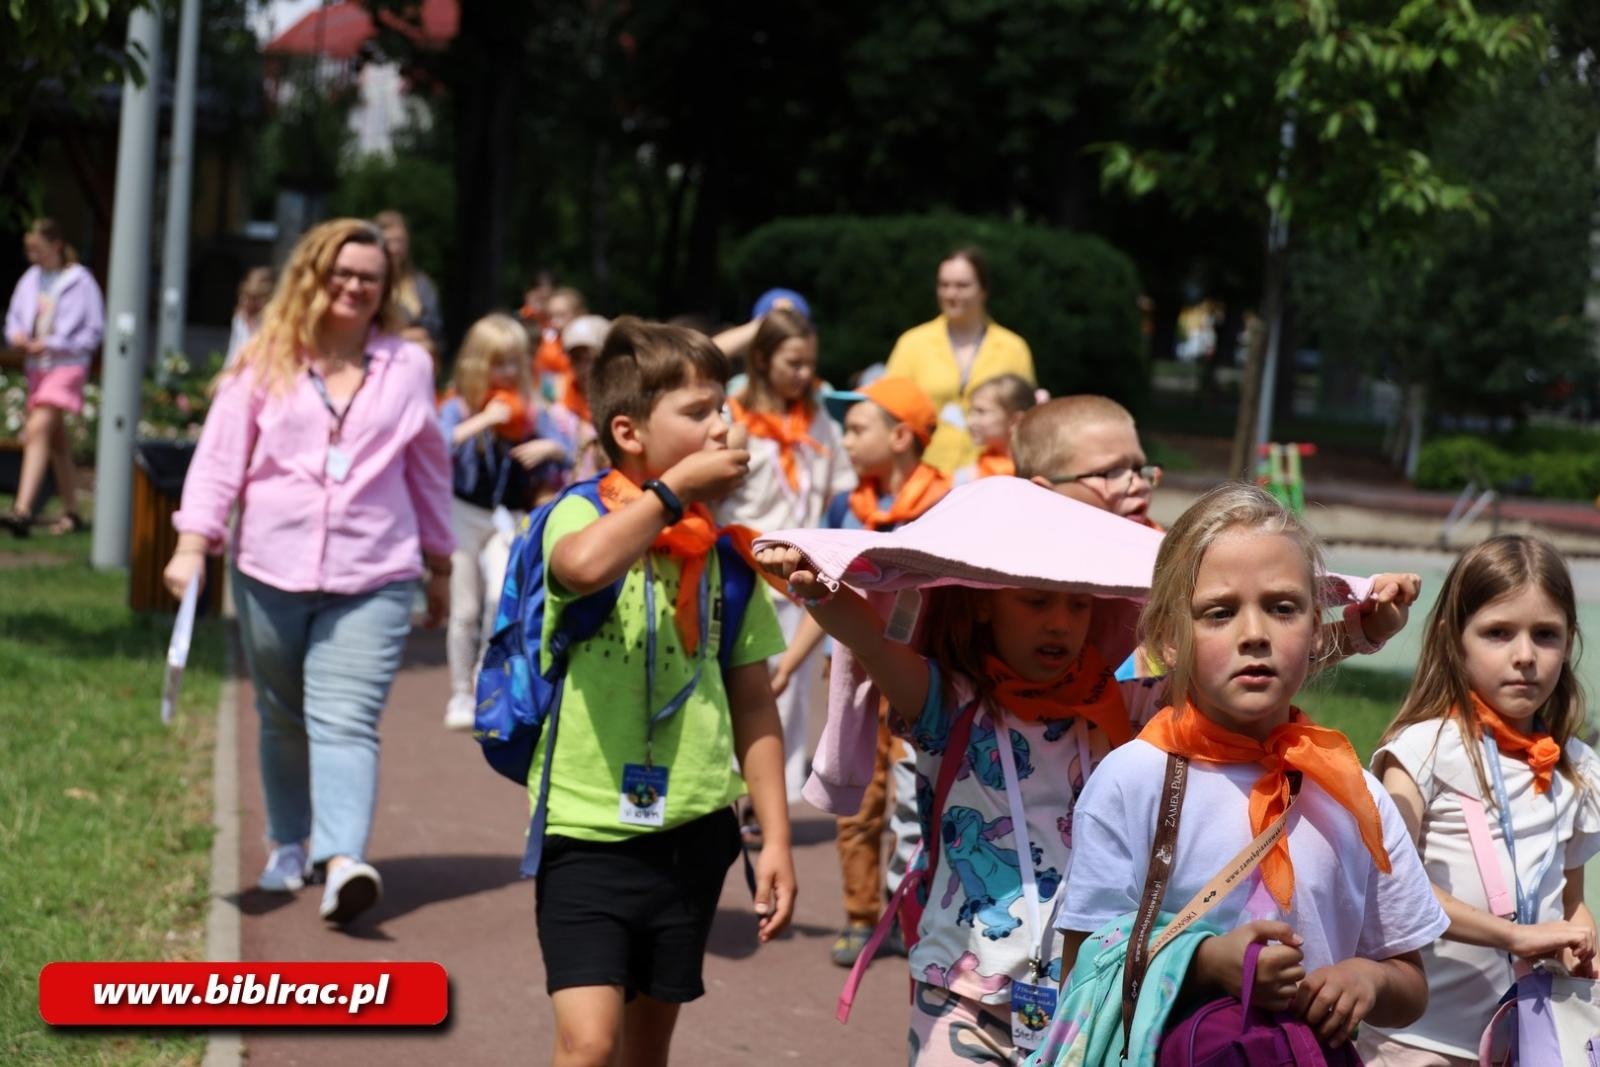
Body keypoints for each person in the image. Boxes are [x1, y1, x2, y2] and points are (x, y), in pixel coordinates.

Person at [1056, 482, 1445, 1058]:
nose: (1255, 634)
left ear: (1317, 630)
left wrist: (1368, 979)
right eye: (1219, 613)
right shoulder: (1132, 781)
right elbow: (1082, 969)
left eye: (1283, 608)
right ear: (1168, 635)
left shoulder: (1351, 790)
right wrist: (1207, 962)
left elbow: (1410, 985)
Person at [164, 218, 453, 925]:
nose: (354, 286)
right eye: (341, 273)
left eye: (369, 277)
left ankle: (342, 858)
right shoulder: (266, 358)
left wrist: (440, 563)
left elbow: (427, 467)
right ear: (313, 276)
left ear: (387, 290)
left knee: (346, 716)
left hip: (375, 570)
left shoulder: (407, 366)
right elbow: (221, 457)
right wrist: (192, 542)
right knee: (283, 714)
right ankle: (288, 841)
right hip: (269, 564)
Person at [532, 317, 796, 1067]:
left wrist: (774, 835)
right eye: (700, 410)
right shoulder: (582, 511)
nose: (723, 425)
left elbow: (753, 700)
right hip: (583, 827)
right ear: (629, 430)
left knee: (646, 1052)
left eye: (725, 408)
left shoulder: (722, 550)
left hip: (693, 826)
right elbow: (581, 567)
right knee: (588, 1045)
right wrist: (672, 493)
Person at [1362, 534, 1600, 1067]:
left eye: (1546, 635)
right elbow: (1397, 885)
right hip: (1417, 1042)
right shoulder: (1421, 750)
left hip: (1533, 1042)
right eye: (1498, 633)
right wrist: (1517, 935)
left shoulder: (1576, 766)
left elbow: (1568, 901)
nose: (1524, 657)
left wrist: (1582, 942)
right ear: (1454, 640)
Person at [805, 377, 950, 967]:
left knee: (918, 804)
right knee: (859, 796)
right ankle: (861, 915)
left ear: (899, 436)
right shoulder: (847, 507)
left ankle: (909, 909)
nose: (846, 439)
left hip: (920, 680)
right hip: (858, 677)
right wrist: (801, 661)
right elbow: (818, 593)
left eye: (858, 427)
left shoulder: (945, 508)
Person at [716, 308, 854, 803]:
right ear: (761, 359)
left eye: (808, 363)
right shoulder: (730, 415)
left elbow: (842, 486)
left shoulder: (818, 419)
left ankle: (768, 800)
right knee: (738, 679)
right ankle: (730, 790)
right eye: (792, 362)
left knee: (788, 691)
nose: (803, 374)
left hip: (799, 571)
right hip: (743, 565)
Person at [437, 313, 567, 731]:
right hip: (463, 513)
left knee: (498, 597)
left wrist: (550, 447)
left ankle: (480, 681)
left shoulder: (532, 412)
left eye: (514, 362)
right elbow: (435, 447)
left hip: (508, 518)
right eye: (498, 363)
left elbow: (570, 450)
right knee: (464, 605)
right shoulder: (457, 406)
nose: (507, 373)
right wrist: (484, 420)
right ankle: (458, 690)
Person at [885, 247, 1035, 474]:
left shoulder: (1014, 348)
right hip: (925, 475)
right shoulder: (912, 343)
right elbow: (891, 412)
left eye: (962, 286)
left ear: (983, 290)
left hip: (994, 476)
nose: (951, 294)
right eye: (944, 285)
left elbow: (1027, 421)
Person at [2, 218, 103, 537]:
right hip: (37, 368)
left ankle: (22, 510)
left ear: (56, 246)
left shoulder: (80, 280)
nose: (33, 256)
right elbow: (14, 319)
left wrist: (54, 343)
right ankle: (72, 512)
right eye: (29, 250)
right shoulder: (31, 279)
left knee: (38, 427)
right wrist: (17, 336)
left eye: (39, 249)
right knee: (56, 442)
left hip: (66, 366)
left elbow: (93, 331)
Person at [1011, 395, 1160, 528]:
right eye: (1111, 473)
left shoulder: (1165, 552)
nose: (1139, 485)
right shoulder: (1007, 555)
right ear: (1044, 495)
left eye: (1139, 468)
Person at [536, 313, 608, 490]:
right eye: (577, 359)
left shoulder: (622, 408)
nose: (585, 367)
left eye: (591, 358)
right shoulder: (556, 405)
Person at [374, 210, 443, 355]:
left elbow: (431, 330)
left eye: (401, 241)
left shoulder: (421, 283)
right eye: (390, 241)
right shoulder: (370, 282)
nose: (396, 249)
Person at [953, 373, 1036, 485]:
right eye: (971, 411)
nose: (969, 422)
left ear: (1015, 420)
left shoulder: (1040, 470)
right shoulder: (970, 476)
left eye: (981, 411)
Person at [533, 286, 586, 401]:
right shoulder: (546, 345)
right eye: (551, 316)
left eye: (561, 315)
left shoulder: (589, 343)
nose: (555, 322)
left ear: (579, 314)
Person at [225, 266, 274, 368]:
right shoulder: (240, 318)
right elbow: (233, 352)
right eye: (245, 295)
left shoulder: (273, 321)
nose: (246, 302)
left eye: (254, 298)